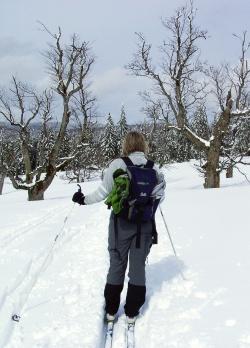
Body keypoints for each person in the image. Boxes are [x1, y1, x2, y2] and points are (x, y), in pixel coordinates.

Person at [72, 131, 165, 323]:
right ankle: (132, 312)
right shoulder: (154, 168)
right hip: (145, 225)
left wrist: (83, 200)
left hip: (120, 223)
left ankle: (111, 310)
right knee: (138, 266)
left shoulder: (118, 164)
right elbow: (160, 196)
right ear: (143, 145)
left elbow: (103, 192)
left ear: (126, 145)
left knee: (117, 262)